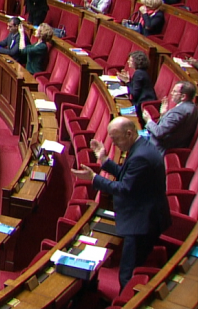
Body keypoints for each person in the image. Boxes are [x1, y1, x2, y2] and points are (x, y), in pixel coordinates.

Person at [71, 118, 171, 292]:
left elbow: (124, 188)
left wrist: (94, 178)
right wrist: (103, 159)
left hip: (142, 222)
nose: (115, 145)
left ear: (129, 133)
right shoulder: (140, 148)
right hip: (143, 215)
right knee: (130, 268)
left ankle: (127, 301)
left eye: (116, 139)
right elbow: (127, 176)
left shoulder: (141, 156)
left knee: (128, 273)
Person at [142, 82, 198, 153]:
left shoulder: (178, 112)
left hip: (159, 148)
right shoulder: (193, 107)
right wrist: (163, 115)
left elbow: (159, 132)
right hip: (170, 144)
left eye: (174, 91)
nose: (171, 93)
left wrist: (148, 120)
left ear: (183, 96)